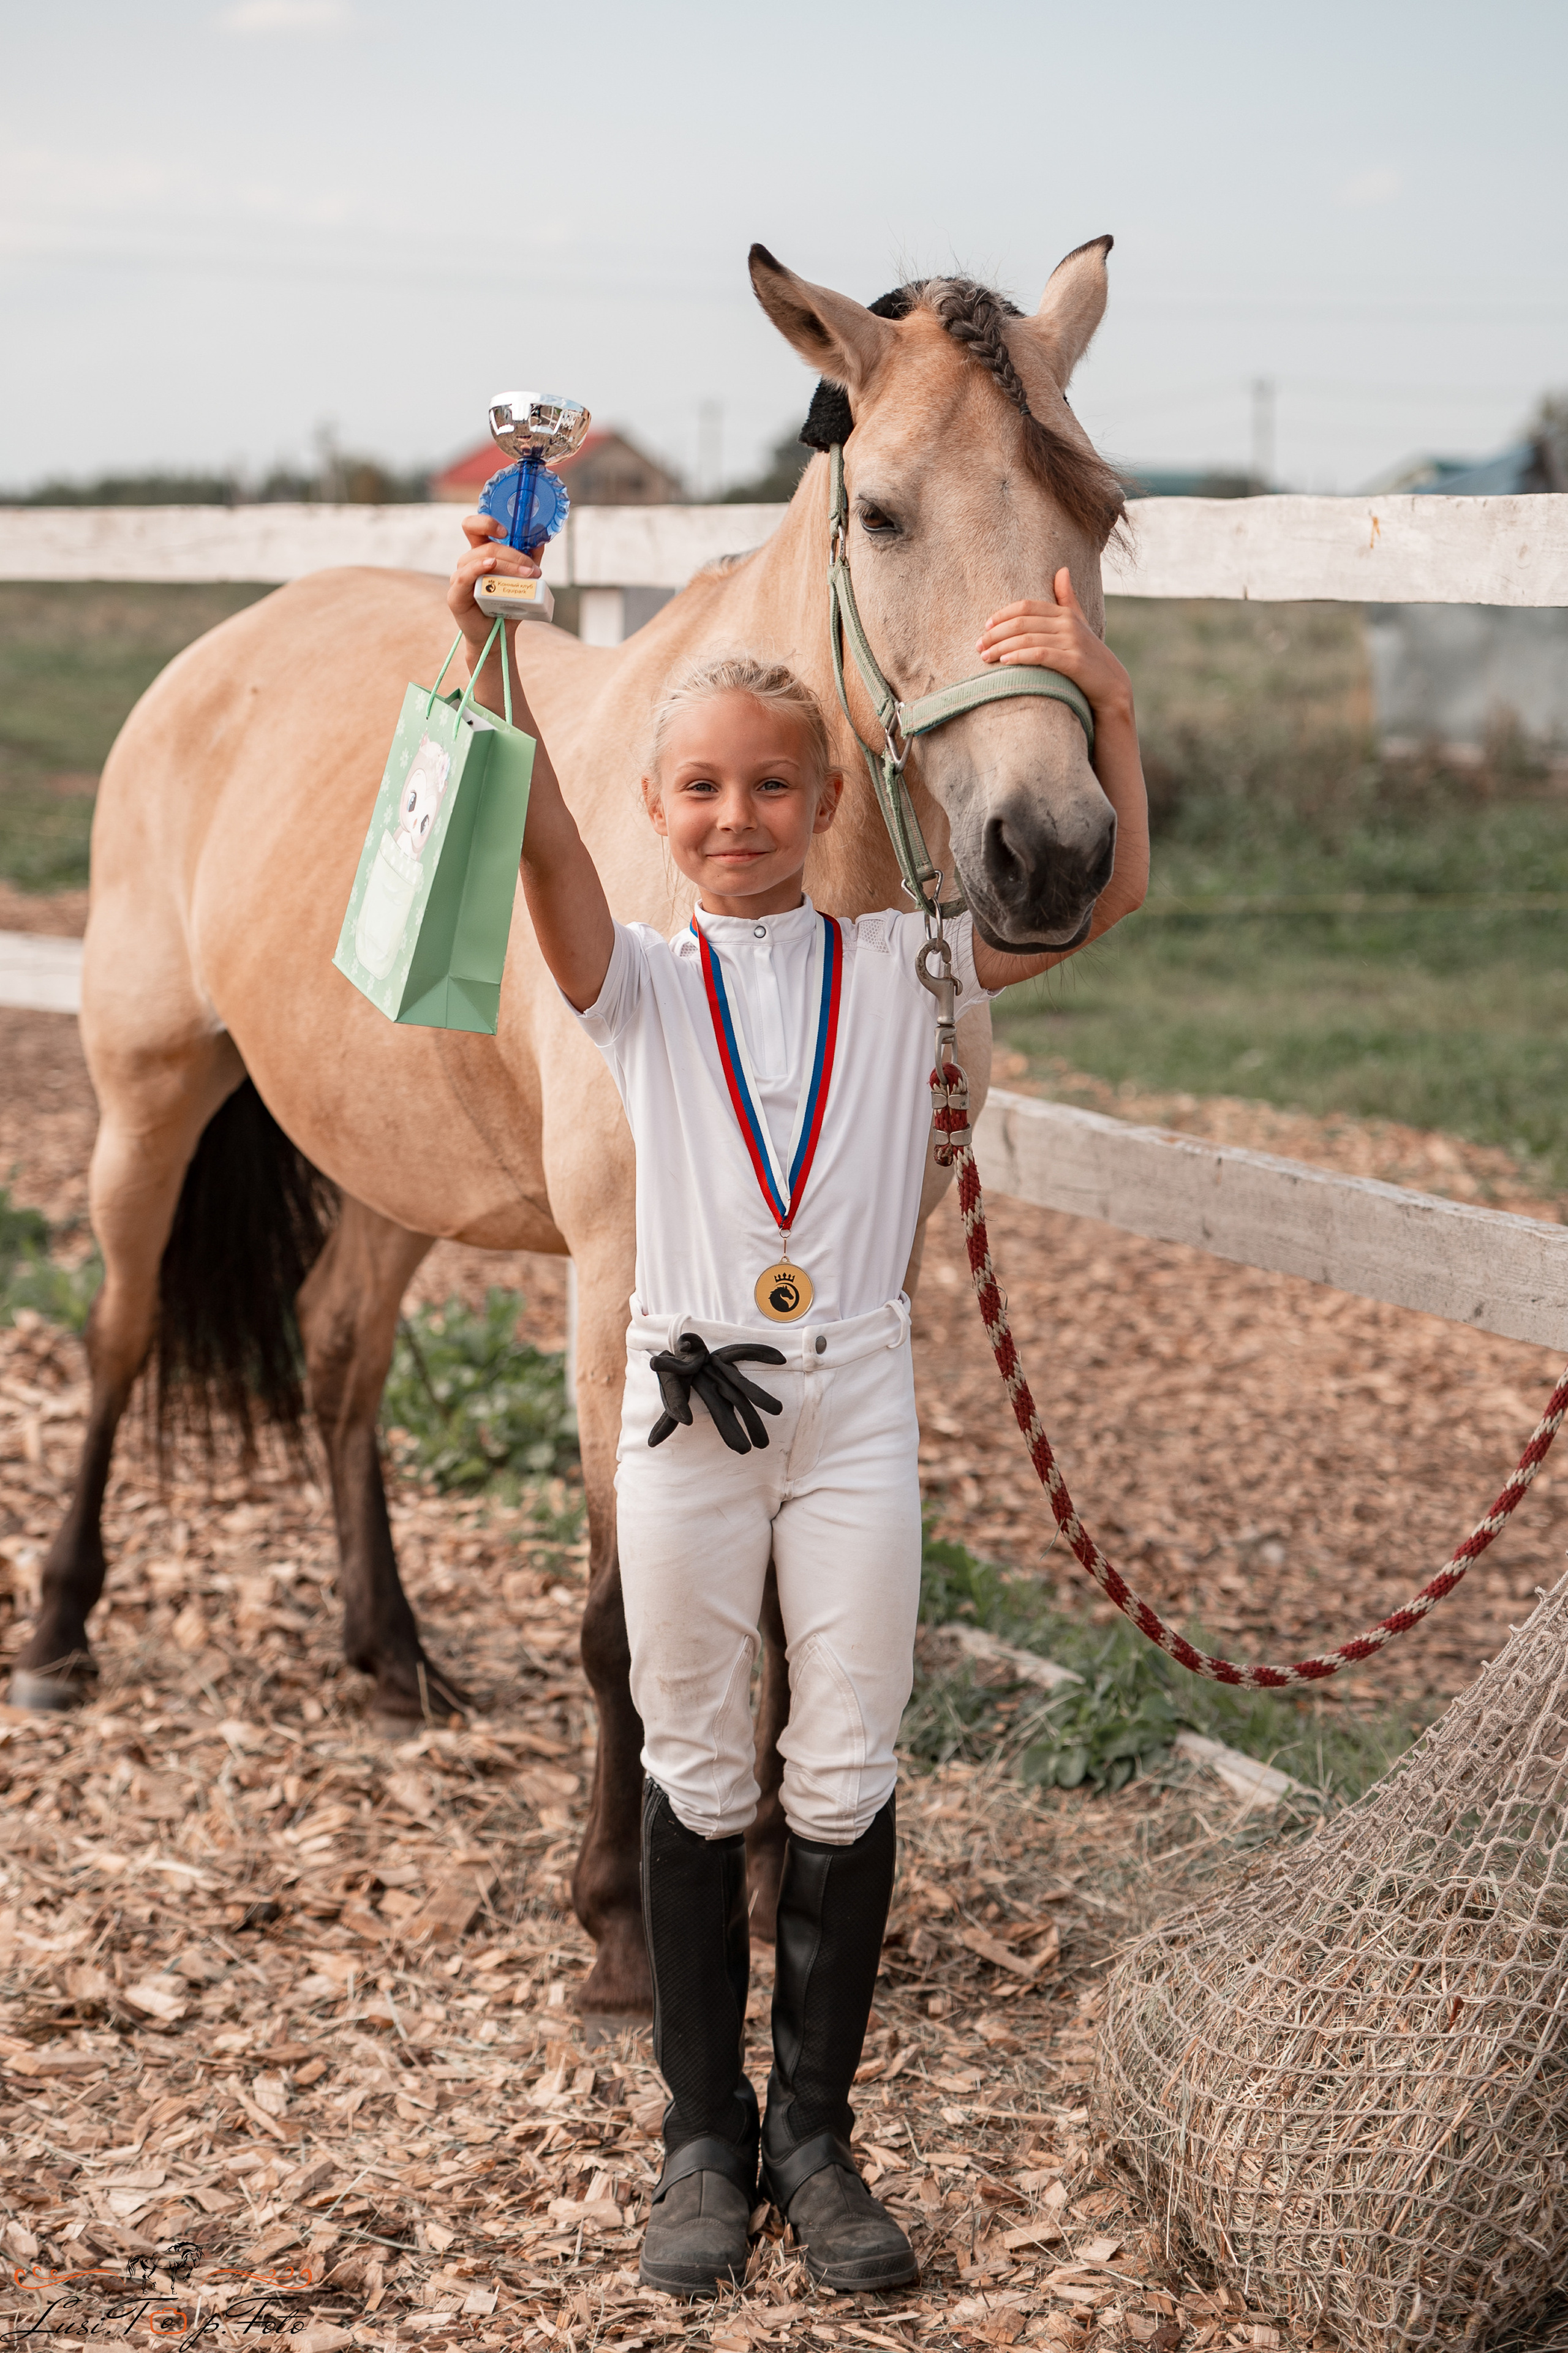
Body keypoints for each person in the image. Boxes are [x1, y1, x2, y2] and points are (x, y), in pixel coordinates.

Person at [446, 514, 1150, 2297]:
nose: (738, 820)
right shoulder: (634, 984)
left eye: (773, 788)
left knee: (841, 1767)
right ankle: (702, 2135)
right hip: (686, 1416)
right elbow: (531, 840)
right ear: (657, 809)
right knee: (693, 1764)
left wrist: (1104, 699)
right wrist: (491, 638)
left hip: (852, 1419)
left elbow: (1107, 896)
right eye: (698, 791)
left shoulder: (907, 966)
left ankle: (818, 2137)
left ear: (828, 791)